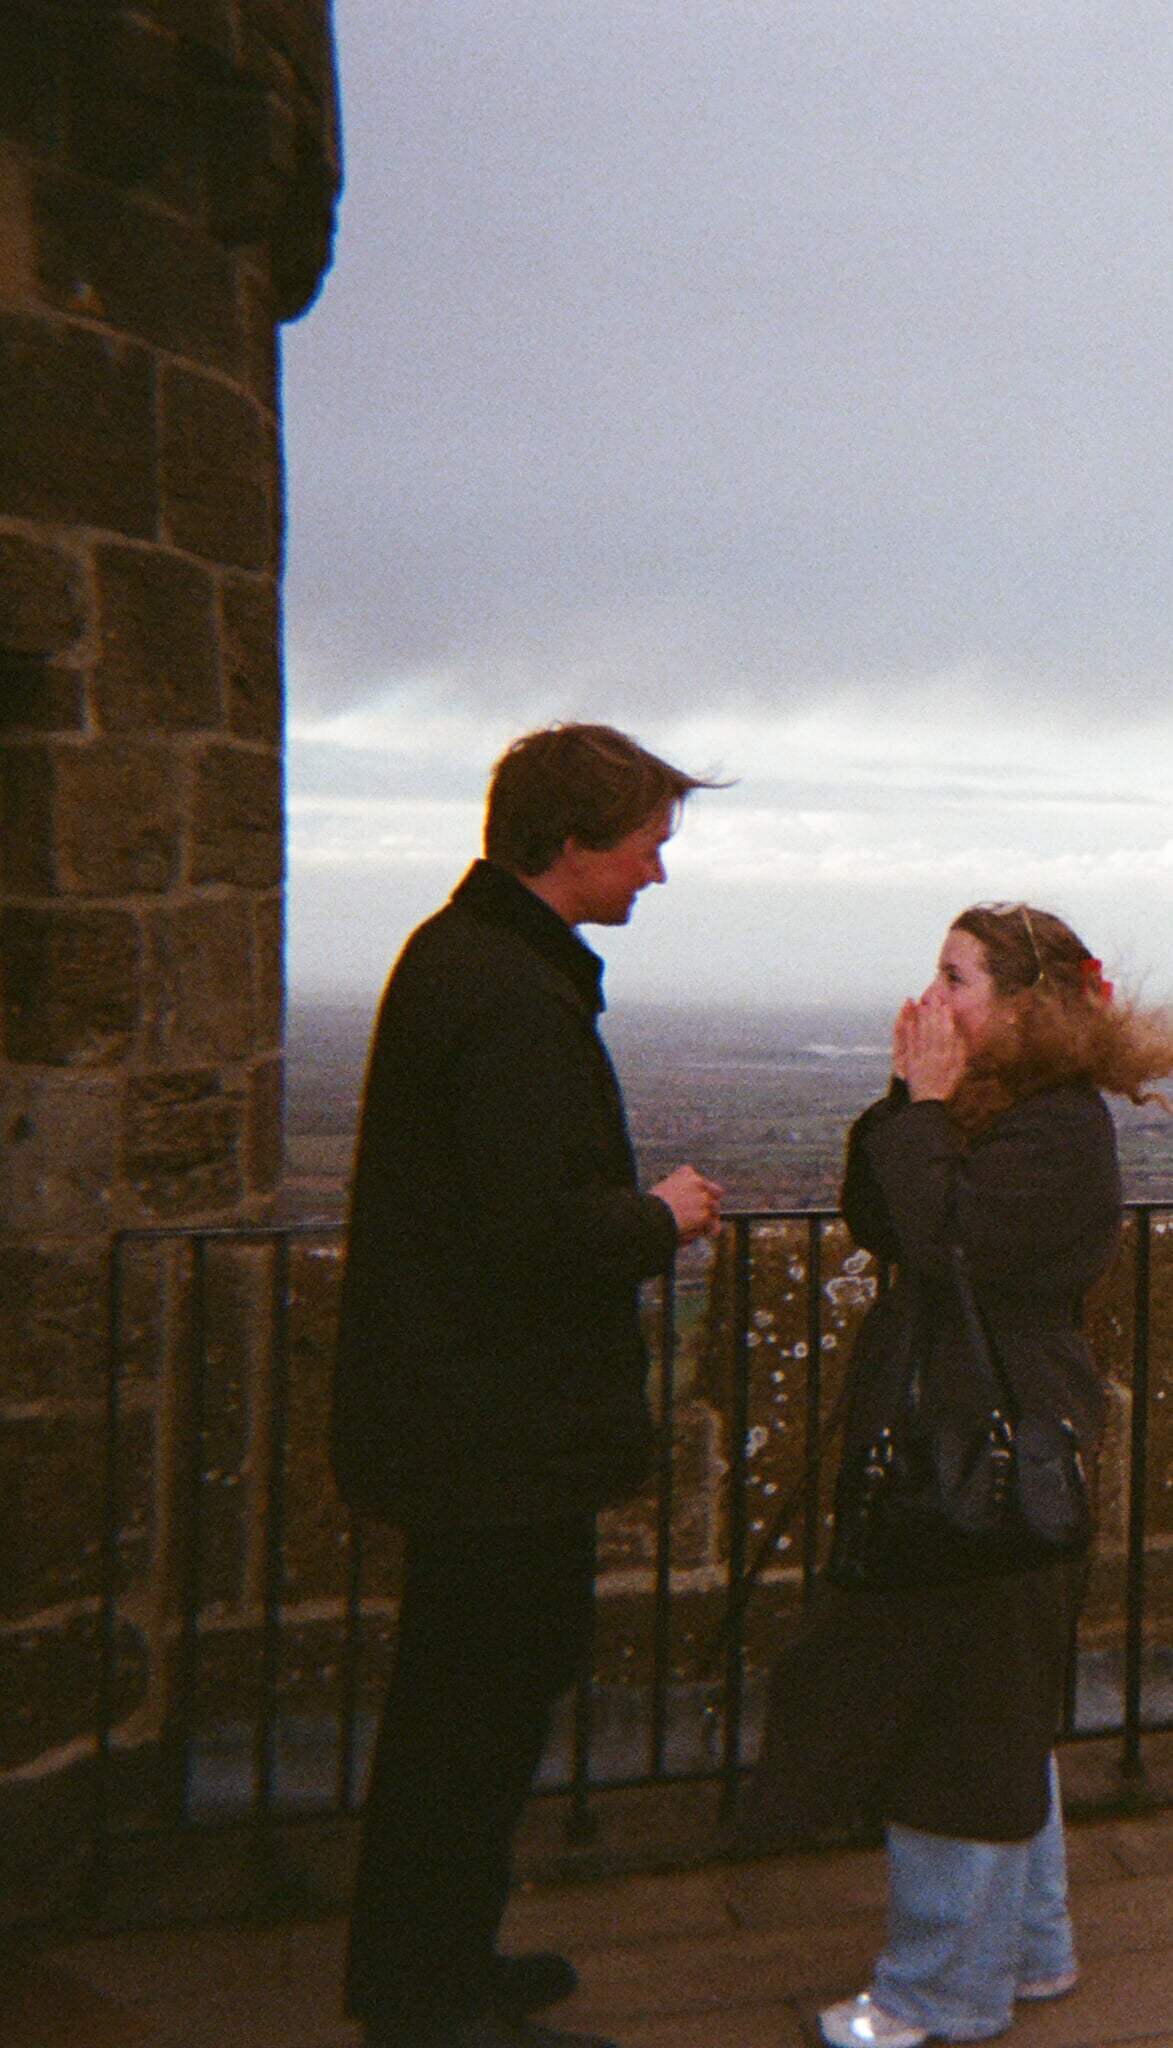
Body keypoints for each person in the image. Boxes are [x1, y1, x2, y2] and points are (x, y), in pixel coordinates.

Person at [331, 724, 729, 2048]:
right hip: (493, 1433)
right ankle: (430, 2001)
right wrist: (660, 1217)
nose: (656, 875)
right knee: (473, 1718)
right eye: (646, 846)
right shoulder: (510, 996)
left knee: (461, 1706)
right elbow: (536, 1234)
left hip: (464, 1418)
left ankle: (433, 1965)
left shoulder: (471, 959)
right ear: (572, 844)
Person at [742, 904, 1173, 2048]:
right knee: (994, 1696)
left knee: (961, 1713)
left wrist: (928, 1109)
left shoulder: (1057, 1130)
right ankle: (1031, 1949)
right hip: (967, 1427)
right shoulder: (998, 1110)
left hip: (992, 1438)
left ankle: (935, 1992)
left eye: (955, 977)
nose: (931, 997)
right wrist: (914, 1100)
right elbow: (879, 1212)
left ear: (1023, 1003)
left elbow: (946, 1239)